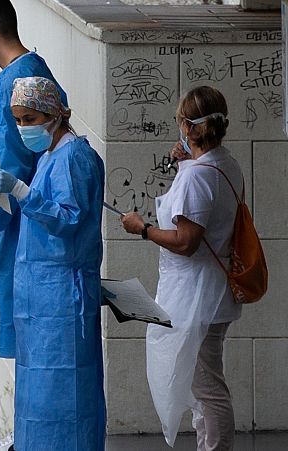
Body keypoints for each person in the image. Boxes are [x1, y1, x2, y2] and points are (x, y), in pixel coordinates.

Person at [0, 76, 105, 450]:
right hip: (42, 300)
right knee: (37, 394)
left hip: (63, 299)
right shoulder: (50, 156)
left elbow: (67, 218)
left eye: (30, 118)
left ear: (54, 114)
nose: (23, 128)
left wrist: (20, 190)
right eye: (18, 119)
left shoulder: (74, 157)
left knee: (65, 396)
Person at [119, 86, 241, 450]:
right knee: (201, 381)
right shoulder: (224, 163)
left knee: (206, 386)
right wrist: (184, 160)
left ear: (188, 127)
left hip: (197, 294)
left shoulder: (197, 176)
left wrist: (143, 229)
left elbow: (186, 242)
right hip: (211, 289)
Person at [0, 0, 68, 359]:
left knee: (28, 338)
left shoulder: (15, 83)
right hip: (26, 217)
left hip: (18, 223)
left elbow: (10, 162)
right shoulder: (32, 70)